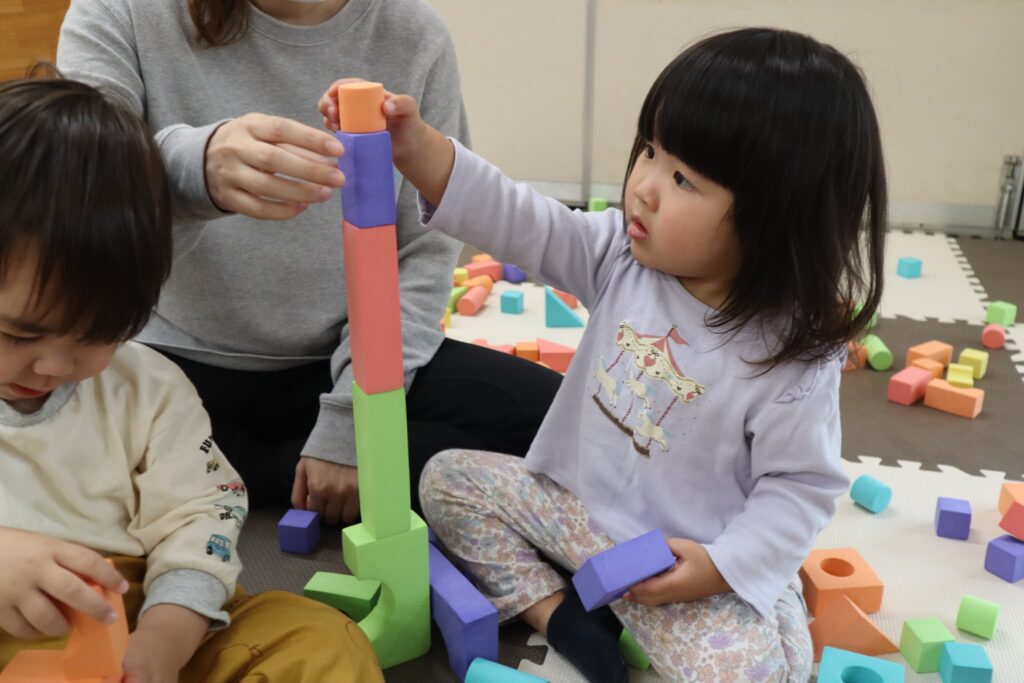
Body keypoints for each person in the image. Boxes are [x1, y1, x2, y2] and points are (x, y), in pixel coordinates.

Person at [366, 28, 887, 682]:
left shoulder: (790, 355)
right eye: (649, 150)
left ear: (775, 219)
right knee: (445, 480)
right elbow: (521, 218)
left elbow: (799, 488)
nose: (643, 187)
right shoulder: (620, 254)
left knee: (756, 670)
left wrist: (718, 568)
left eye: (682, 178)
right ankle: (555, 613)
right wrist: (420, 150)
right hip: (574, 510)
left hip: (679, 557)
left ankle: (751, 604)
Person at [56, 0, 561, 525]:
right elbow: (74, 193)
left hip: (345, 357)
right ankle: (289, 473)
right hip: (165, 362)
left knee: (560, 427)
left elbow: (424, 250)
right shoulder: (120, 11)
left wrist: (354, 417)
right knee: (56, 437)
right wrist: (195, 168)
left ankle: (247, 474)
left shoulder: (412, 32)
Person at [0, 75, 383, 683]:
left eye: (95, 337)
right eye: (17, 335)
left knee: (317, 639)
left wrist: (164, 641)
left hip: (141, 614)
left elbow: (201, 518)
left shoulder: (148, 389)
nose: (52, 367)